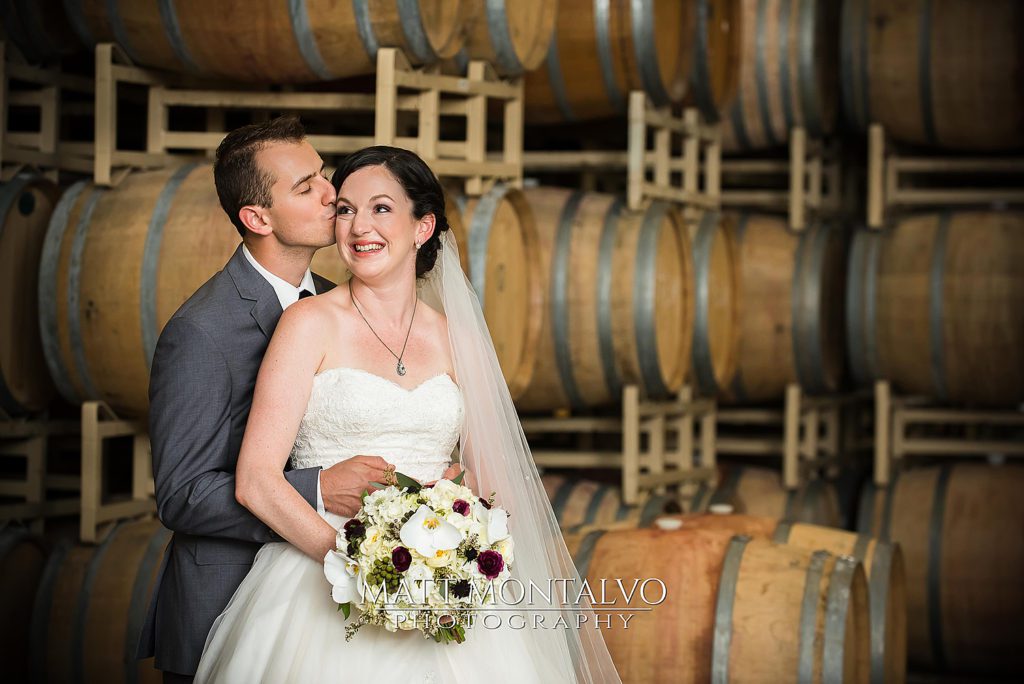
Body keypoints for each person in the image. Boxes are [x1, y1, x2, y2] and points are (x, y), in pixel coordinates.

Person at [193, 146, 622, 683]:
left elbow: (494, 482)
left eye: (380, 209)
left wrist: (463, 530)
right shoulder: (307, 324)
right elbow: (256, 482)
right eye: (345, 209)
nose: (357, 227)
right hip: (318, 580)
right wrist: (359, 566)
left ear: (423, 228)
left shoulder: (455, 337)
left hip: (443, 582)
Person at [139, 117, 397, 683]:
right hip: (225, 606)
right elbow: (182, 495)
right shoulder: (202, 331)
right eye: (306, 188)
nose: (334, 194)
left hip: (323, 605)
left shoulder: (335, 303)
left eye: (324, 175)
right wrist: (318, 489)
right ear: (257, 218)